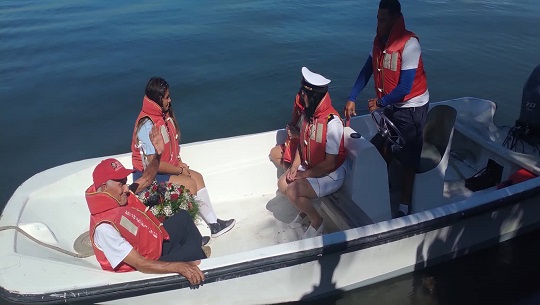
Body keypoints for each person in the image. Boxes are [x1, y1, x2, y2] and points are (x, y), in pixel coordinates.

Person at [85, 125, 205, 285]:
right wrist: (179, 267)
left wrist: (158, 155)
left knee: (183, 219)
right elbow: (140, 264)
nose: (126, 188)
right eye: (120, 184)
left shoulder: (119, 195)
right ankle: (201, 271)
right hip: (146, 266)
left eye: (125, 183)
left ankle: (194, 255)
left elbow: (147, 178)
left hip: (154, 244)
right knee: (192, 253)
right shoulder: (104, 229)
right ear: (104, 188)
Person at [344, 0, 429, 216]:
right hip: (390, 104)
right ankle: (384, 185)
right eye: (377, 18)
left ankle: (404, 203)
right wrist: (352, 96)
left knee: (409, 155)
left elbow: (405, 87)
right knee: (384, 145)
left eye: (382, 19)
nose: (378, 23)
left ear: (394, 19)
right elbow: (366, 71)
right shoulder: (379, 43)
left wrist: (380, 102)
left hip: (411, 107)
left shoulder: (410, 44)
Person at [131, 77, 235, 238]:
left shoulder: (163, 117)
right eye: (166, 97)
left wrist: (180, 164)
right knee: (189, 185)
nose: (169, 100)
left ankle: (214, 224)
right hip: (148, 177)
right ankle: (190, 237)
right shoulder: (147, 125)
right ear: (158, 99)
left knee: (197, 178)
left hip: (167, 169)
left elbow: (169, 149)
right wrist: (179, 170)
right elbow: (154, 165)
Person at [278, 67, 347, 239]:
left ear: (313, 96)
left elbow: (330, 164)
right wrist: (295, 166)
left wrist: (303, 175)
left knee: (293, 191)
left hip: (329, 175)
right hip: (311, 167)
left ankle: (317, 221)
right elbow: (303, 144)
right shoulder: (308, 117)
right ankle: (304, 211)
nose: (301, 97)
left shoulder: (333, 123)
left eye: (304, 94)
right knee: (283, 183)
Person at [269, 93, 304, 170]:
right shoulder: (300, 106)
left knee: (282, 181)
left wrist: (297, 135)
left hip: (305, 151)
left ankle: (294, 175)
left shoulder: (316, 117)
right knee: (274, 153)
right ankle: (291, 173)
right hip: (296, 144)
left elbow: (314, 141)